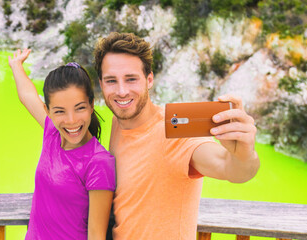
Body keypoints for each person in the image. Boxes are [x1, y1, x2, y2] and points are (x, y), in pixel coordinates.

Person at [93, 32, 261, 239]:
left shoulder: (175, 132)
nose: (121, 91)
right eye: (111, 81)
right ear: (101, 84)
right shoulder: (116, 124)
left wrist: (244, 154)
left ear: (149, 79)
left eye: (131, 79)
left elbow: (233, 169)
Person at [8, 48, 116, 240]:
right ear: (47, 111)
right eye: (60, 111)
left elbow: (96, 235)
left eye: (79, 108)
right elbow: (27, 96)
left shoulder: (98, 162)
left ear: (92, 105)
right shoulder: (53, 133)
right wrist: (16, 66)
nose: (71, 120)